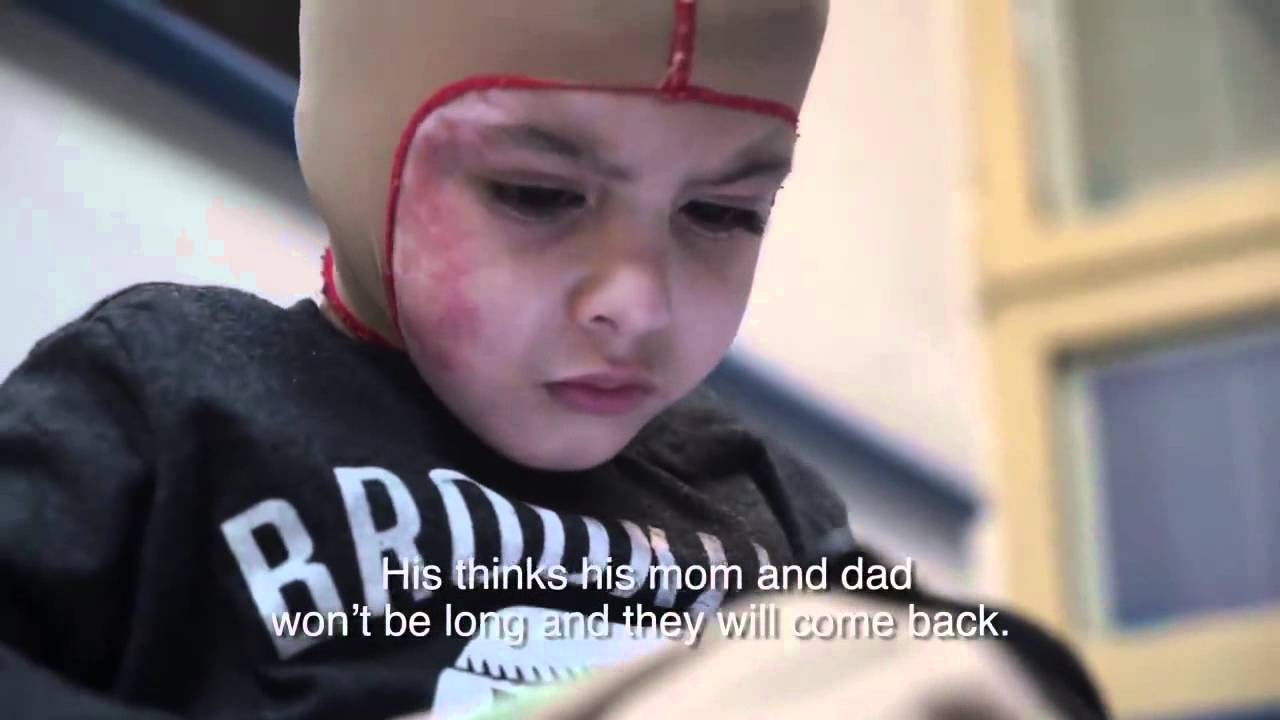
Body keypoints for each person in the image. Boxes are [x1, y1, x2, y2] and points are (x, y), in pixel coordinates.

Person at [0, 2, 1107, 718]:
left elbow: (983, 665)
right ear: (362, 152)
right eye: (537, 194)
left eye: (721, 213)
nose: (637, 303)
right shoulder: (172, 392)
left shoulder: (753, 493)